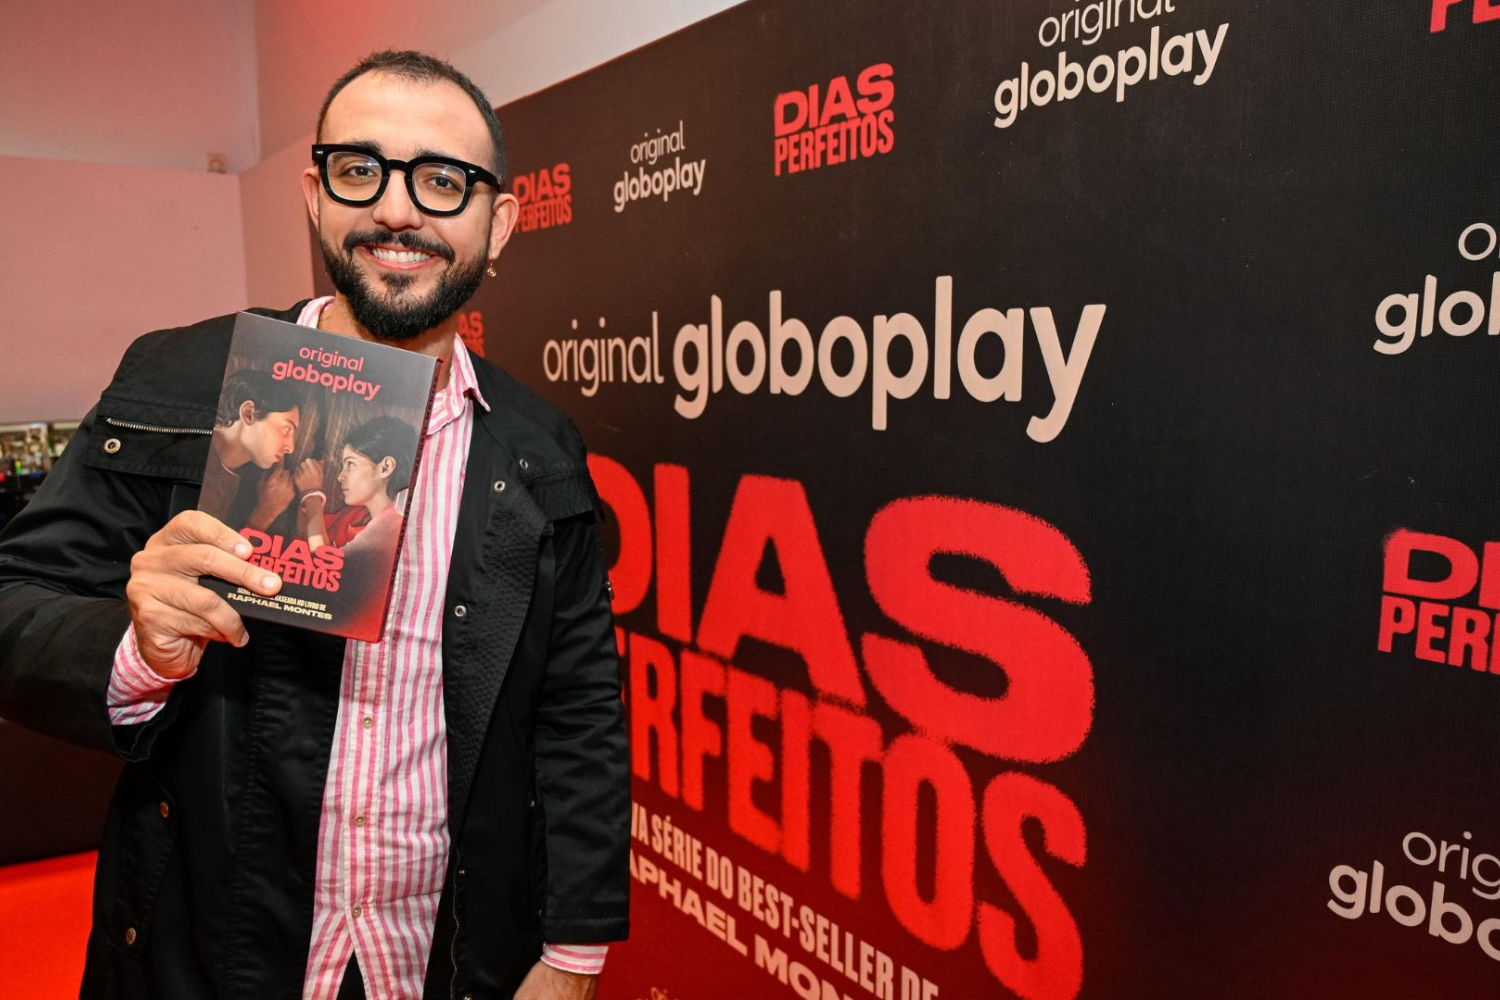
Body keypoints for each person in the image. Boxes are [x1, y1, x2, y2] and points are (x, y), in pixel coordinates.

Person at [0, 51, 627, 1000]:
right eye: (360, 170)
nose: (397, 211)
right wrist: (135, 649)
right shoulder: (178, 384)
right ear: (316, 197)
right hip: (214, 951)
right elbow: (16, 600)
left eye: (442, 180)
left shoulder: (540, 448)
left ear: (498, 225)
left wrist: (574, 952)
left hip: (443, 956)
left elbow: (577, 710)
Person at [202, 368, 305, 533]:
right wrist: (266, 512)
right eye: (286, 430)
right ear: (249, 413)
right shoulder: (203, 470)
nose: (290, 448)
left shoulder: (231, 474)